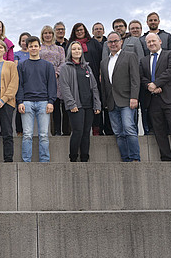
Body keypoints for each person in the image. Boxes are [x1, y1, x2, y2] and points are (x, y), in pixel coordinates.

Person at [140, 33, 171, 161]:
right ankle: (166, 158)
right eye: (148, 42)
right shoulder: (143, 60)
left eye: (153, 41)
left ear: (160, 41)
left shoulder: (170, 54)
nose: (151, 44)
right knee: (159, 131)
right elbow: (142, 77)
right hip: (153, 100)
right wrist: (149, 86)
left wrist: (156, 83)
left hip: (170, 98)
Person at [100, 32, 140, 162]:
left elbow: (135, 79)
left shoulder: (130, 56)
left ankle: (135, 158)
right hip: (111, 102)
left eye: (115, 41)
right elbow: (105, 84)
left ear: (121, 42)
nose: (113, 44)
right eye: (110, 42)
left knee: (129, 129)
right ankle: (126, 159)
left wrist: (134, 97)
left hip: (127, 100)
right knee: (118, 133)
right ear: (107, 44)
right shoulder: (104, 62)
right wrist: (105, 102)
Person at [17, 36, 57, 162]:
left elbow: (52, 85)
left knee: (44, 135)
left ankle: (44, 161)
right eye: (31, 46)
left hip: (43, 102)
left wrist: (51, 101)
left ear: (40, 47)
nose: (33, 48)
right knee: (27, 135)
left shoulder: (48, 66)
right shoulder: (22, 66)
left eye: (35, 46)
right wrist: (20, 102)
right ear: (27, 48)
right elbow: (19, 85)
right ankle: (26, 161)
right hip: (27, 102)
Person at [60, 41, 101, 162]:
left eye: (78, 49)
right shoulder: (65, 67)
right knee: (77, 131)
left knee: (86, 132)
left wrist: (97, 104)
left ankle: (85, 158)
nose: (77, 51)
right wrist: (71, 103)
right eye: (74, 49)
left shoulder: (87, 67)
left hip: (88, 105)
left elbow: (94, 87)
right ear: (70, 52)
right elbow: (65, 87)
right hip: (75, 106)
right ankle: (73, 158)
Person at [69, 22, 103, 135]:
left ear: (85, 31)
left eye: (81, 30)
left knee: (95, 102)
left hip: (93, 77)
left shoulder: (93, 42)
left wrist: (100, 72)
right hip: (76, 79)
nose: (79, 32)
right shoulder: (70, 44)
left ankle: (97, 129)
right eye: (77, 30)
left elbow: (102, 58)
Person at [40, 25, 65, 136]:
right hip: (42, 78)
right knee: (43, 105)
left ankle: (57, 131)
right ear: (42, 35)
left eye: (50, 33)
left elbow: (63, 63)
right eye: (45, 33)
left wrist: (56, 73)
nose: (48, 35)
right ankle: (44, 132)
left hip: (56, 79)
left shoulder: (60, 49)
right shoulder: (39, 48)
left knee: (56, 105)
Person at [14, 32, 31, 136]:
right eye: (23, 40)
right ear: (20, 42)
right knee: (19, 107)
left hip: (32, 84)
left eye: (27, 40)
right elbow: (15, 67)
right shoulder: (17, 54)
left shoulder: (34, 52)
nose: (25, 42)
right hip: (20, 82)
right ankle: (19, 131)